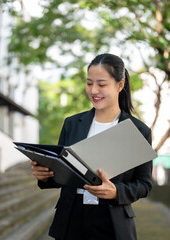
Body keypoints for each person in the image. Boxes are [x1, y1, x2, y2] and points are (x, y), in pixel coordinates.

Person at [30, 53, 153, 240]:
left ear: (120, 85)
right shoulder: (72, 124)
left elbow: (144, 184)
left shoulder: (138, 131)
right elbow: (64, 172)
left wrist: (116, 191)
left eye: (101, 84)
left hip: (112, 220)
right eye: (89, 83)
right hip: (71, 218)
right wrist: (45, 176)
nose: (94, 90)